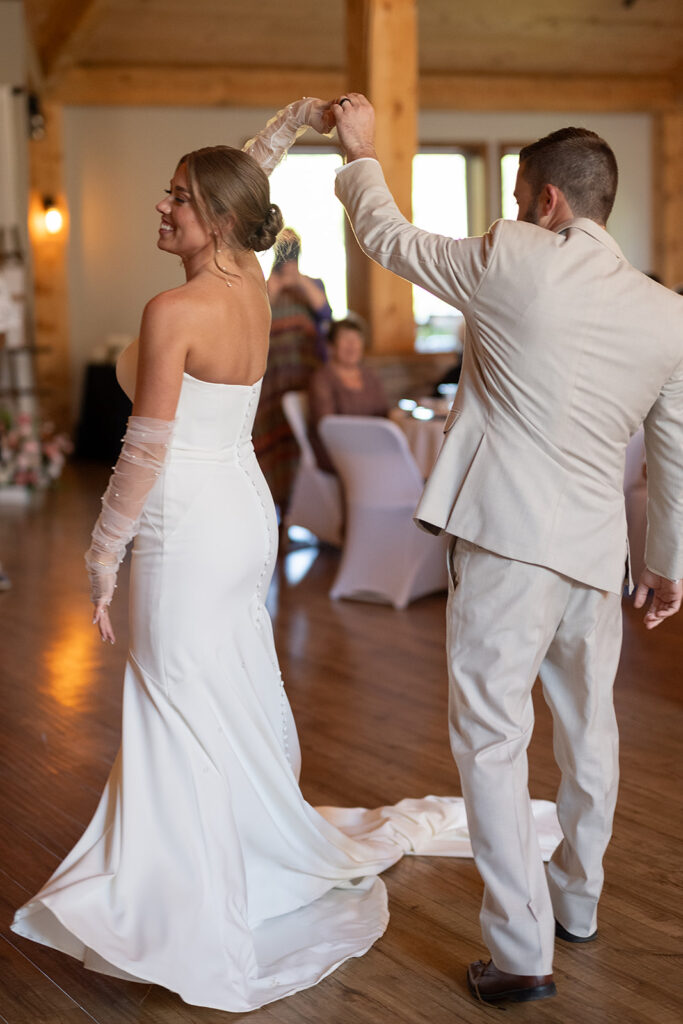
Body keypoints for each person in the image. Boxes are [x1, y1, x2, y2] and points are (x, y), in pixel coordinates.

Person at [10, 98, 558, 1013]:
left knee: (174, 698)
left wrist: (103, 554)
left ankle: (189, 899)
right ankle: (237, 849)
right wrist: (292, 123)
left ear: (214, 218)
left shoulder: (173, 307)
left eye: (177, 198)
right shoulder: (249, 281)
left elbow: (143, 450)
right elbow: (245, 180)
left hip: (185, 521)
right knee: (213, 685)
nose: (162, 206)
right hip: (241, 513)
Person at [331, 93, 683, 1006]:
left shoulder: (510, 257)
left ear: (551, 202)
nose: (518, 206)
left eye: (523, 192)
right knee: (587, 731)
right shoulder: (664, 313)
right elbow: (675, 452)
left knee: (491, 740)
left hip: (504, 546)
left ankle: (521, 954)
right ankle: (578, 903)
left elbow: (387, 236)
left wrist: (362, 150)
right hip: (596, 554)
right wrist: (664, 563)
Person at [252, 226, 331, 517]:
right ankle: (274, 515)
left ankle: (305, 513)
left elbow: (325, 314)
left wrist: (297, 280)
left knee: (303, 449)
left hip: (305, 381)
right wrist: (275, 286)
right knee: (271, 451)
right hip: (271, 384)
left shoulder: (312, 284)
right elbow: (257, 321)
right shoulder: (266, 285)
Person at [308, 316, 388, 472]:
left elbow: (384, 414)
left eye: (357, 339)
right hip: (336, 450)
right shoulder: (322, 379)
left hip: (372, 446)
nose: (352, 345)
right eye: (345, 339)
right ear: (331, 346)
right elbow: (327, 425)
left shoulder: (371, 376)